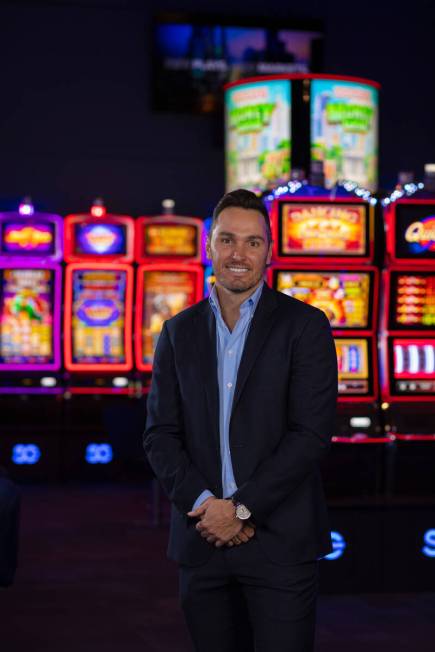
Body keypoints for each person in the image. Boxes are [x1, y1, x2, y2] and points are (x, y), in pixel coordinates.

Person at [144, 189, 338, 651]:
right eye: (228, 240)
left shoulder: (306, 325)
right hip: (202, 537)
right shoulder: (178, 330)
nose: (239, 254)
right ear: (210, 245)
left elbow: (309, 435)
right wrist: (210, 507)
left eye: (253, 242)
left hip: (280, 544)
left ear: (269, 251)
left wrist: (241, 509)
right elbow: (160, 435)